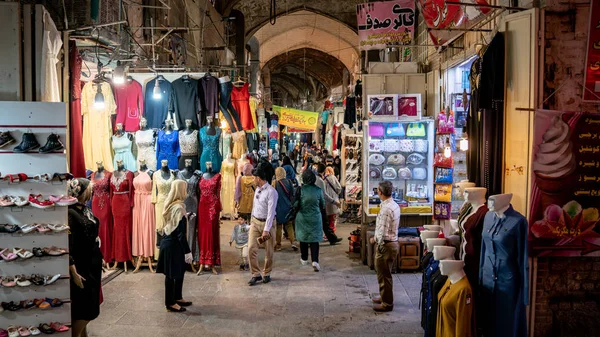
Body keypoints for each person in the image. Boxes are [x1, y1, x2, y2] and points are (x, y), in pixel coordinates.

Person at [67, 178, 103, 337]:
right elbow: (67, 245)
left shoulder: (84, 209)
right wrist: (73, 272)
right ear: (80, 191)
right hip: (82, 266)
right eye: (88, 189)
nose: (91, 191)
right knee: (87, 310)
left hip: (92, 265)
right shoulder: (70, 213)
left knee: (88, 306)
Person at [157, 180, 193, 312]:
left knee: (179, 272)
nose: (186, 191)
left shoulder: (174, 204)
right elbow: (180, 234)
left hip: (170, 243)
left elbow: (174, 223)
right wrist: (187, 252)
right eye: (185, 188)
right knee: (171, 275)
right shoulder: (178, 207)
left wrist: (186, 217)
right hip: (173, 245)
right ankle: (170, 303)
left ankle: (177, 297)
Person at [370, 181, 400, 312]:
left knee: (384, 274)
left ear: (380, 192)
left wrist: (375, 239)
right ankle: (384, 296)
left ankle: (387, 303)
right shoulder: (393, 205)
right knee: (383, 273)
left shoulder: (387, 209)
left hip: (386, 244)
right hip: (391, 243)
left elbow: (383, 230)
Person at [247, 166, 278, 286]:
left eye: (254, 177)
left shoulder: (271, 192)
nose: (253, 179)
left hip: (268, 224)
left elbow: (271, 212)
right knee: (251, 248)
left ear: (258, 178)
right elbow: (254, 207)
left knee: (269, 251)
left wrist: (266, 229)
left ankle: (266, 272)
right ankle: (255, 273)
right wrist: (251, 221)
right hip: (255, 222)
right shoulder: (257, 190)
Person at [294, 170, 326, 272]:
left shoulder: (300, 190)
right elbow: (323, 205)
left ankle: (304, 258)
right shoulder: (318, 190)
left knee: (303, 238)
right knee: (314, 239)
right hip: (315, 217)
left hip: (302, 217)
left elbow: (295, 204)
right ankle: (315, 261)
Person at [313, 163, 343, 245]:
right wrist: (335, 202)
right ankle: (331, 238)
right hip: (321, 204)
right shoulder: (320, 181)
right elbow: (325, 195)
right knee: (326, 222)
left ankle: (331, 238)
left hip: (315, 203)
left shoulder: (316, 179)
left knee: (323, 222)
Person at [272, 167, 298, 251]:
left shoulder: (274, 183)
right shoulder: (289, 182)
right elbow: (292, 194)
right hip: (288, 207)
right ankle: (293, 242)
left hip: (278, 208)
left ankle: (278, 244)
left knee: (278, 227)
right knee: (289, 225)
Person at [323, 166, 342, 233]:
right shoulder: (333, 178)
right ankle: (332, 232)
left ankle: (327, 234)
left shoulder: (323, 180)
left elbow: (323, 192)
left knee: (327, 219)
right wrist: (337, 192)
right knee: (333, 219)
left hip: (327, 202)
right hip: (334, 201)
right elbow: (339, 188)